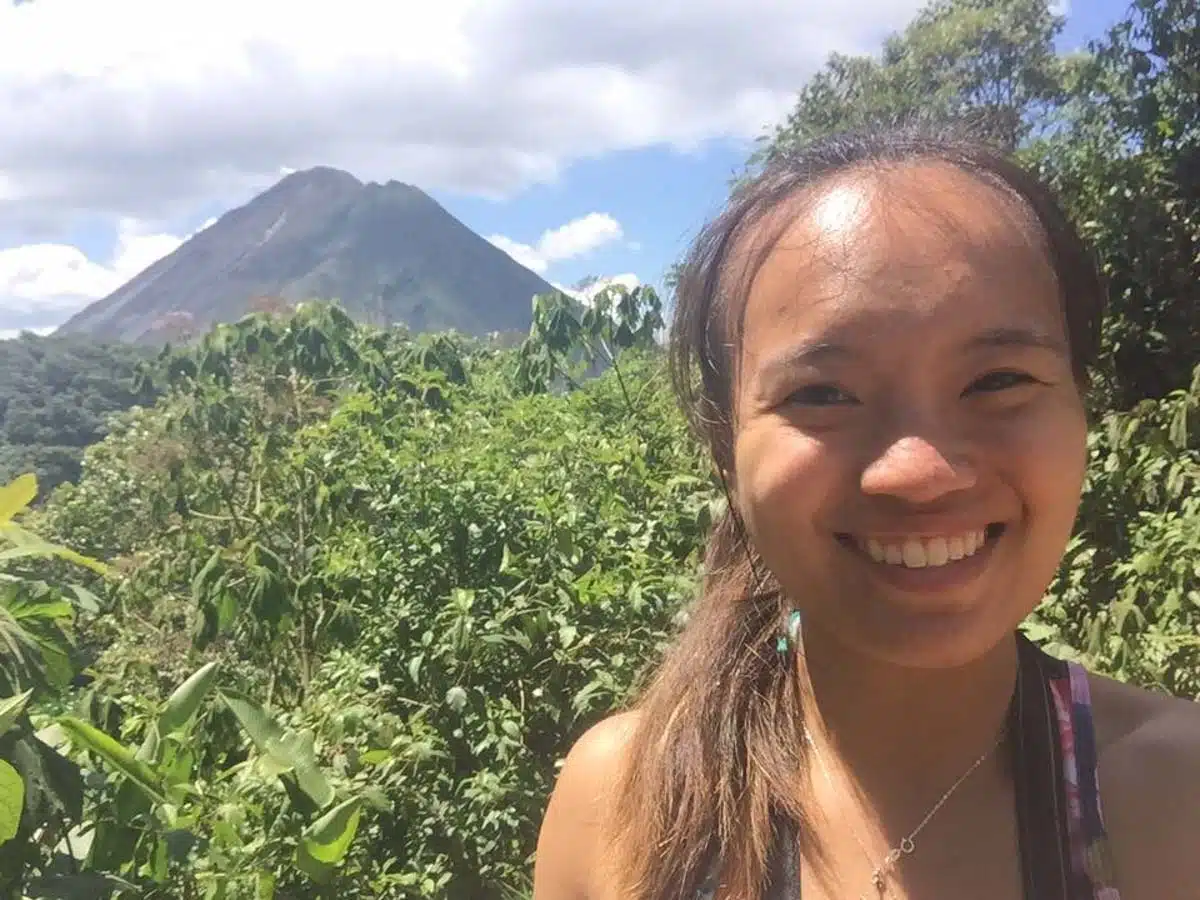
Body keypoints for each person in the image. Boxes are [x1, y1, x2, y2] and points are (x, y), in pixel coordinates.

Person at [530, 126, 1200, 900]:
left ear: (1082, 409)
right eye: (822, 394)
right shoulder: (620, 807)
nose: (920, 474)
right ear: (725, 451)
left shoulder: (1174, 797)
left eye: (998, 380)